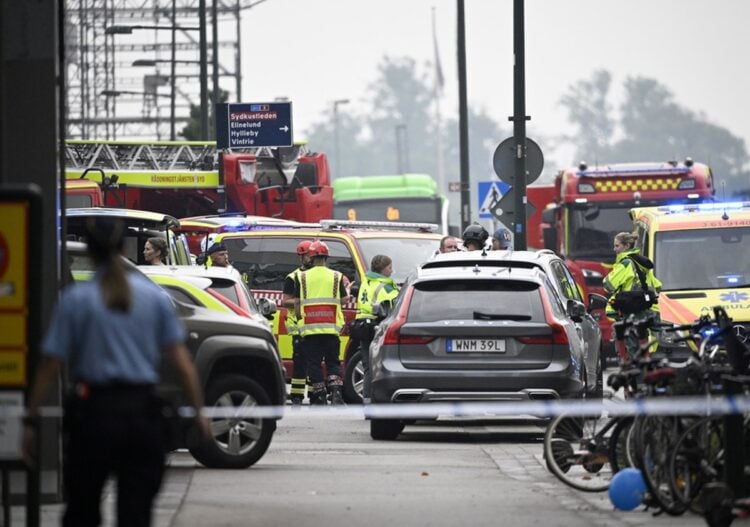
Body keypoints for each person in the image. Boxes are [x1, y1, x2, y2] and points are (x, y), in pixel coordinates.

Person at [22, 216, 209, 527]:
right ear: (124, 249)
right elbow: (182, 363)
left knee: (82, 510)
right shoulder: (153, 299)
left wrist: (29, 420)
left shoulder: (76, 300)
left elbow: (49, 365)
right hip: (141, 417)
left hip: (93, 417)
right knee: (135, 514)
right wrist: (199, 412)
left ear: (90, 253)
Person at [294, 240, 347, 405]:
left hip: (310, 329)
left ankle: (320, 393)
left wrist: (299, 319)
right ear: (326, 256)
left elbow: (296, 303)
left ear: (310, 256)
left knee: (313, 363)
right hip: (331, 328)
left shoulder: (301, 276)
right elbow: (343, 300)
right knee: (333, 362)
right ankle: (336, 391)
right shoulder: (337, 276)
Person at [603, 231, 662, 360]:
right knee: (647, 347)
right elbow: (657, 286)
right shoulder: (641, 263)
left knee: (631, 349)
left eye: (617, 246)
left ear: (626, 246)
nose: (614, 249)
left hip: (632, 311)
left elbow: (608, 285)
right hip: (649, 310)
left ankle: (634, 375)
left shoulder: (625, 264)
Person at [352, 255, 399, 403]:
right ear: (383, 269)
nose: (392, 271)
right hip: (377, 327)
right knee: (381, 367)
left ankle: (367, 404)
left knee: (367, 368)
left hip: (362, 326)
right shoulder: (386, 286)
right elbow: (397, 306)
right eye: (390, 268)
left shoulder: (366, 281)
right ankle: (382, 402)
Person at [282, 240, 313, 405]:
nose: (311, 258)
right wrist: (301, 302)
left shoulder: (320, 276)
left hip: (316, 326)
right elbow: (285, 301)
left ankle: (315, 395)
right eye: (308, 255)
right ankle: (296, 396)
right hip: (298, 328)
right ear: (301, 257)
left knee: (315, 363)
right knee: (300, 363)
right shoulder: (292, 277)